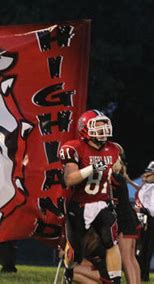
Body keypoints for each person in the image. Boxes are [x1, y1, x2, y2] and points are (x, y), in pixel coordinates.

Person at [59, 110, 122, 284]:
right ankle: (68, 272)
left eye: (104, 125)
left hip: (102, 202)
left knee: (111, 241)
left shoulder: (113, 149)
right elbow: (69, 179)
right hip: (79, 205)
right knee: (75, 250)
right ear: (85, 129)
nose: (103, 129)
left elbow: (116, 168)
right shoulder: (73, 148)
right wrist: (94, 167)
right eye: (98, 126)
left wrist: (115, 171)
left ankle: (116, 280)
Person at [111, 143, 141, 284]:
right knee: (131, 258)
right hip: (129, 217)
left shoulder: (114, 175)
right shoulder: (120, 174)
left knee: (126, 259)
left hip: (124, 218)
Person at [134, 161, 154, 282]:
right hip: (143, 218)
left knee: (147, 248)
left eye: (150, 173)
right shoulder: (147, 185)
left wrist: (142, 209)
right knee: (140, 247)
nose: (146, 176)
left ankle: (144, 274)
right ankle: (140, 273)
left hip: (151, 220)